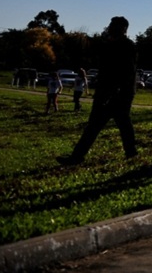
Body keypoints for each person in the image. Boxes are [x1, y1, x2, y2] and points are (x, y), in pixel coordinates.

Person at [58, 17, 138, 165]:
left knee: (116, 123)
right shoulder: (108, 45)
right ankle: (77, 156)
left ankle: (77, 157)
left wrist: (117, 91)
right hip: (106, 91)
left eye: (113, 25)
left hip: (118, 93)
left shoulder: (127, 46)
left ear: (123, 29)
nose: (110, 27)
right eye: (110, 25)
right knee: (104, 125)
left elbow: (128, 71)